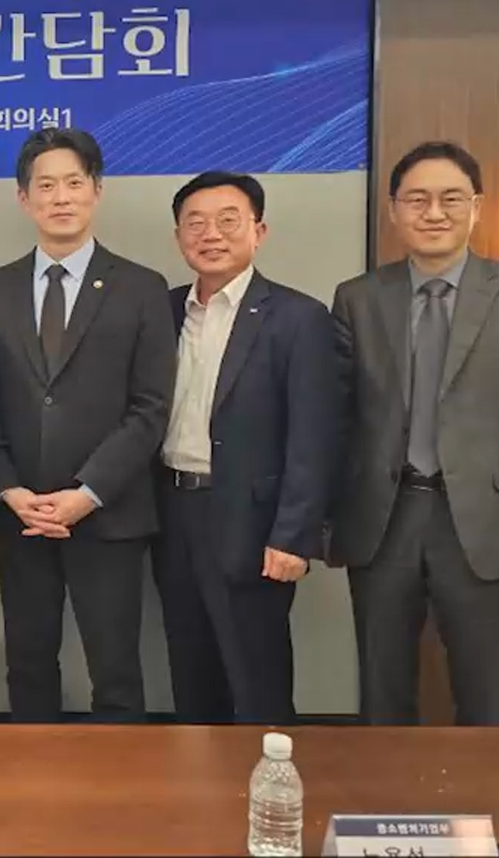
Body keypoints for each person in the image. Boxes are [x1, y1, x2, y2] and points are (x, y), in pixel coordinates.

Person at [330, 142, 499, 726]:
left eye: (450, 199)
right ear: (394, 210)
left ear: (477, 207)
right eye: (417, 199)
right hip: (383, 520)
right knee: (382, 693)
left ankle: (485, 787)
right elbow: (338, 419)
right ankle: (387, 785)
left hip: (486, 524)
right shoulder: (358, 297)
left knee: (485, 695)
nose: (433, 212)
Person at [0, 127, 175, 723]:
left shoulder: (142, 287)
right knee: (28, 663)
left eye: (74, 183)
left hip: (108, 512)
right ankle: (32, 776)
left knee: (115, 670)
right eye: (45, 186)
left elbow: (151, 407)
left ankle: (119, 780)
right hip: (24, 514)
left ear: (97, 190)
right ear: (23, 198)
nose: (60, 197)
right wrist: (10, 490)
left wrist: (87, 493)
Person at [155, 171, 341, 725]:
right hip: (173, 513)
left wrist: (293, 536)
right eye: (195, 223)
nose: (211, 234)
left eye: (228, 220)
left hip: (253, 523)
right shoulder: (162, 311)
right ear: (178, 237)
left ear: (259, 231)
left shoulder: (298, 317)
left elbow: (313, 436)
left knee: (257, 681)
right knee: (190, 673)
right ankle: (198, 777)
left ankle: (267, 779)